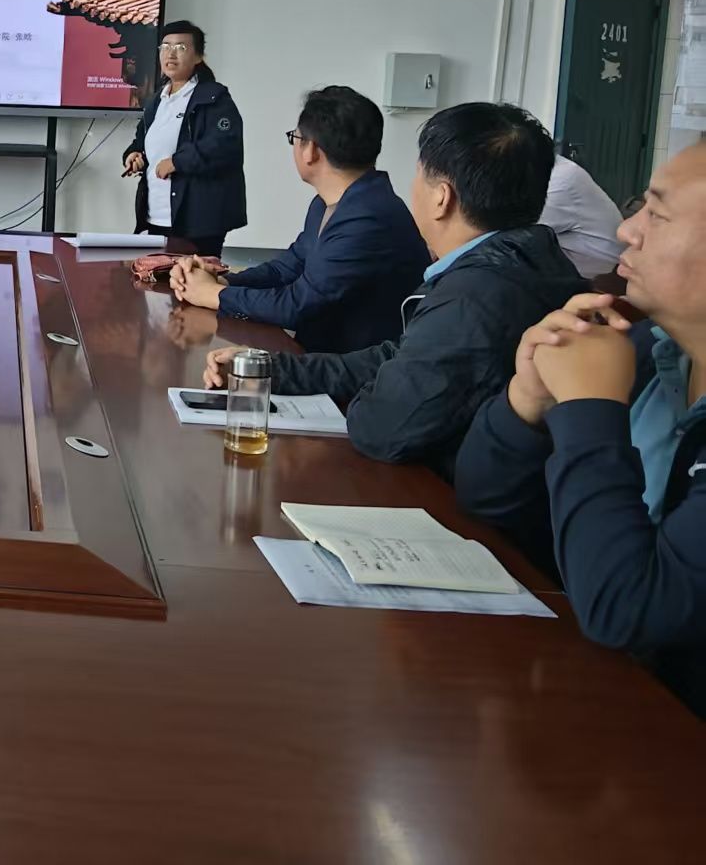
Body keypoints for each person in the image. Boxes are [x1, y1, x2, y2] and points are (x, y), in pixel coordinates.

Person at [203, 102, 587, 478]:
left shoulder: (476, 296)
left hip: (447, 498)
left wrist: (370, 394)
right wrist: (274, 370)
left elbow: (382, 427)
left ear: (442, 198)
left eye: (419, 176)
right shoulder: (524, 262)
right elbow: (400, 356)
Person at [457, 144, 706, 717]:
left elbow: (629, 610)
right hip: (584, 687)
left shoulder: (615, 369)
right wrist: (528, 400)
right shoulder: (646, 349)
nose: (626, 231)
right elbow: (485, 497)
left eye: (657, 215)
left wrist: (591, 407)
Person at [172, 86, 430, 353]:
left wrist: (213, 295)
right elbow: (286, 269)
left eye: (295, 137)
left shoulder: (368, 217)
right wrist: (222, 281)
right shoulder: (330, 203)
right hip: (316, 357)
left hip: (354, 371)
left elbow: (297, 306)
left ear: (312, 150)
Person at [120, 21, 245, 255]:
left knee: (193, 277)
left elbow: (224, 147)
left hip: (198, 219)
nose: (171, 54)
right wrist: (134, 155)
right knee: (157, 277)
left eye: (181, 47)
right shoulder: (157, 99)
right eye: (166, 47)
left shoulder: (213, 97)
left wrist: (177, 162)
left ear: (198, 57)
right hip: (157, 214)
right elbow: (142, 141)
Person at [542, 151, 626, 279]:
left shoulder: (559, 179)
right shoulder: (548, 169)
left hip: (600, 278)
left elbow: (518, 230)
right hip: (576, 269)